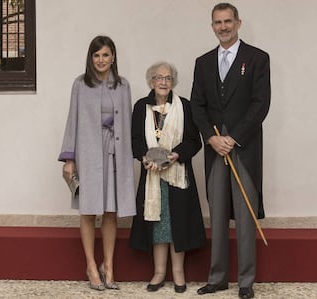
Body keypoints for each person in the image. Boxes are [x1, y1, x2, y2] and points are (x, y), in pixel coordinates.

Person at [190, 3, 271, 299]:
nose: (223, 27)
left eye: (228, 21)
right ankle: (218, 277)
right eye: (217, 22)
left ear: (238, 22)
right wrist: (212, 140)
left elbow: (260, 104)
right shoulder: (202, 62)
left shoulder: (258, 58)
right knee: (218, 212)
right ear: (212, 26)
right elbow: (197, 105)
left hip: (243, 148)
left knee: (245, 216)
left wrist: (232, 138)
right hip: (214, 149)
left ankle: (246, 281)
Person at [58, 35, 136, 291]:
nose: (101, 60)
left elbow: (128, 121)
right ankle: (91, 265)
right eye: (96, 55)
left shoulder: (123, 86)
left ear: (113, 57)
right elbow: (73, 120)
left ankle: (109, 265)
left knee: (111, 211)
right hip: (89, 152)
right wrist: (70, 159)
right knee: (89, 210)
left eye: (105, 55)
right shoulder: (80, 85)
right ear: (90, 58)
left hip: (116, 152)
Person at [129, 61, 206, 293]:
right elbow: (135, 140)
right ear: (151, 81)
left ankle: (179, 273)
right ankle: (160, 272)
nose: (163, 82)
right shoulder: (141, 106)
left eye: (168, 78)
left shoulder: (185, 107)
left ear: (173, 82)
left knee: (177, 223)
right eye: (158, 77)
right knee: (158, 224)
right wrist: (143, 158)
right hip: (152, 177)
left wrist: (176, 155)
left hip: (177, 175)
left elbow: (194, 141)